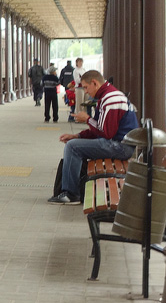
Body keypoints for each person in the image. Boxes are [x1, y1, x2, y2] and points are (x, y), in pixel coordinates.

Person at [48, 70, 138, 204]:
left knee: (73, 147)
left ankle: (71, 194)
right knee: (73, 144)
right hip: (119, 144)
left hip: (120, 147)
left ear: (94, 83)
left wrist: (88, 119)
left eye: (86, 87)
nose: (85, 92)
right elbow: (98, 129)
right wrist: (77, 136)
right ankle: (70, 191)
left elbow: (107, 133)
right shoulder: (107, 97)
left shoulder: (111, 99)